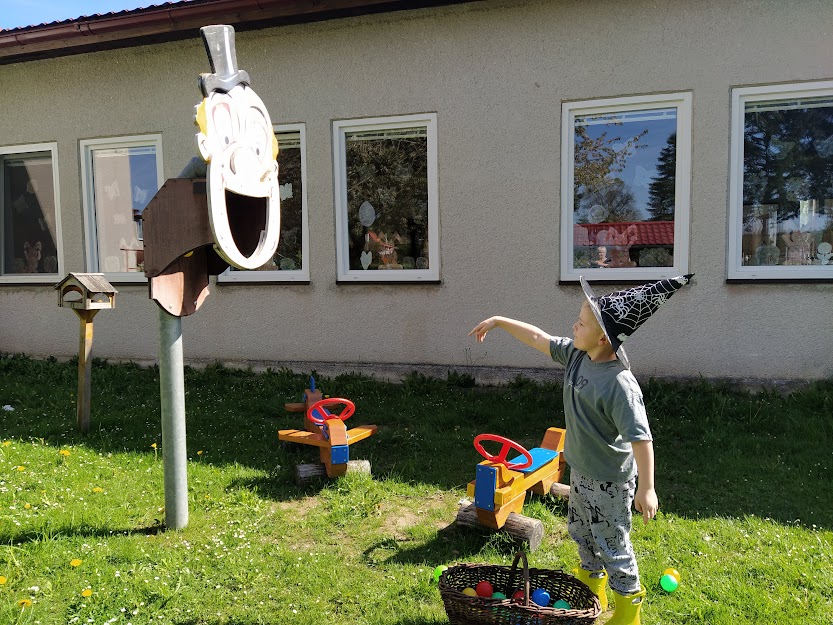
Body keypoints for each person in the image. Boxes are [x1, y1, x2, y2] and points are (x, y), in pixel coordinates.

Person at [468, 275, 693, 625]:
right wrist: (499, 320)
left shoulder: (620, 385)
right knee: (584, 537)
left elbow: (641, 439)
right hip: (581, 473)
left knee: (613, 547)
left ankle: (628, 613)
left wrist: (647, 488)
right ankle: (593, 591)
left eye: (582, 323)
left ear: (603, 338)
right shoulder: (577, 355)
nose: (574, 325)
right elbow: (538, 338)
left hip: (609, 483)